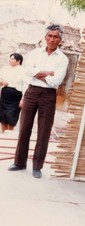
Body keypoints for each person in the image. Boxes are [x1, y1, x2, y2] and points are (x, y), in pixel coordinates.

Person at [8, 24, 69, 178]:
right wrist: (48, 73)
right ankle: (19, 162)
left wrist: (37, 73)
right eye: (50, 36)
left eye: (56, 37)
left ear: (60, 39)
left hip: (48, 95)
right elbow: (27, 73)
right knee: (24, 128)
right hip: (31, 92)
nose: (52, 39)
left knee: (44, 131)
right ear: (45, 37)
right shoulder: (34, 53)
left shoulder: (63, 59)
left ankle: (37, 167)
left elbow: (56, 82)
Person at [0, 53, 26, 133]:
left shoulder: (23, 71)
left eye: (12, 59)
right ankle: (3, 133)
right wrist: (2, 82)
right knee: (2, 116)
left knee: (11, 116)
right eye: (10, 58)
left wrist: (23, 99)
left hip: (16, 95)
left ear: (18, 61)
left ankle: (10, 133)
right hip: (5, 94)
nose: (10, 60)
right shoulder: (5, 69)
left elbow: (25, 85)